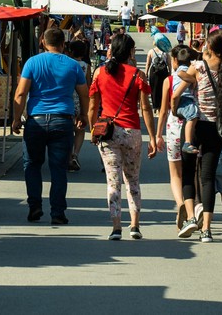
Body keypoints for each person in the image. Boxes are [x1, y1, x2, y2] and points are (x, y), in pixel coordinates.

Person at [175, 29, 222, 243]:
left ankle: (191, 217)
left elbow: (179, 84)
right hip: (216, 129)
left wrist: (175, 106)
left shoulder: (199, 66)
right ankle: (206, 229)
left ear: (210, 47)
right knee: (207, 177)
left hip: (195, 124)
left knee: (189, 173)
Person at [12, 27, 90, 225]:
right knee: (58, 168)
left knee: (31, 164)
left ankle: (34, 206)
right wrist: (83, 115)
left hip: (36, 120)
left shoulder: (32, 62)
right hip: (63, 121)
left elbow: (21, 94)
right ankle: (57, 212)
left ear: (43, 42)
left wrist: (16, 118)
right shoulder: (73, 66)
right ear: (64, 44)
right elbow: (84, 94)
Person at [88, 33, 157, 240]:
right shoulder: (138, 75)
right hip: (132, 132)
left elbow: (93, 106)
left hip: (108, 133)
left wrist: (93, 129)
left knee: (113, 181)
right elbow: (145, 108)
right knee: (133, 180)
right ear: (130, 52)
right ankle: (135, 225)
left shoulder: (100, 73)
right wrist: (152, 137)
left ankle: (116, 226)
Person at [155, 44, 197, 232]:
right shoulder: (195, 78)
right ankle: (193, 208)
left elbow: (163, 110)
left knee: (175, 172)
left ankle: (180, 203)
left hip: (173, 126)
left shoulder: (169, 80)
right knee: (192, 170)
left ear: (174, 61)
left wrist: (157, 134)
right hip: (191, 125)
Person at [65, 39, 92, 172]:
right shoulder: (86, 65)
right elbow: (88, 84)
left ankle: (69, 156)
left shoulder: (67, 63)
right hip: (81, 99)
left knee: (68, 130)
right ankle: (75, 154)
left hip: (69, 98)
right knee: (80, 129)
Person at [169, 47, 200, 154]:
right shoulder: (184, 70)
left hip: (183, 100)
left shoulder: (180, 69)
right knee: (193, 114)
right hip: (184, 99)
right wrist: (193, 79)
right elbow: (181, 74)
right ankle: (187, 142)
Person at [145, 30, 172, 116]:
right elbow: (169, 64)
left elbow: (148, 63)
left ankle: (155, 106)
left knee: (154, 89)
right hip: (163, 72)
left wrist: (146, 73)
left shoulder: (151, 51)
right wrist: (170, 73)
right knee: (162, 89)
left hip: (154, 72)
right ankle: (161, 105)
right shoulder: (165, 52)